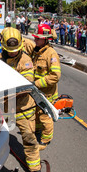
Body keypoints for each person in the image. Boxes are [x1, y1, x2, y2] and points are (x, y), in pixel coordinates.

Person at [0, 27, 42, 172]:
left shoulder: (26, 61)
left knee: (29, 138)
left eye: (15, 50)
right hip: (5, 107)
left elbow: (27, 86)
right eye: (9, 50)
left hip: (23, 108)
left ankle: (35, 167)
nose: (13, 53)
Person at [25, 23, 61, 151]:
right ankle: (38, 131)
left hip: (47, 94)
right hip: (37, 92)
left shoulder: (51, 54)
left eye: (38, 38)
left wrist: (37, 83)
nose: (35, 40)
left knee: (46, 117)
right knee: (38, 113)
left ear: (45, 39)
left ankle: (45, 141)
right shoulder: (38, 51)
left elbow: (55, 76)